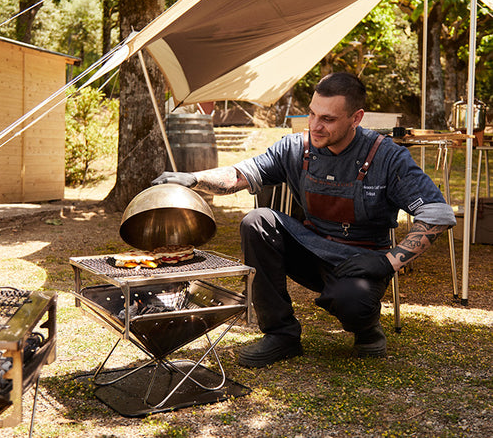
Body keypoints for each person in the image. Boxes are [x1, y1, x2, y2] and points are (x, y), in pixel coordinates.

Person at [153, 72, 456, 367]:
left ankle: (367, 328)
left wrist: (388, 262)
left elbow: (436, 213)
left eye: (328, 119)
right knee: (257, 221)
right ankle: (281, 335)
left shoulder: (388, 157)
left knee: (354, 304)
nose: (315, 125)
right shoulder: (296, 148)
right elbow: (240, 175)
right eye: (312, 114)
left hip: (361, 260)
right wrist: (192, 178)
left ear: (356, 118)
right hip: (311, 249)